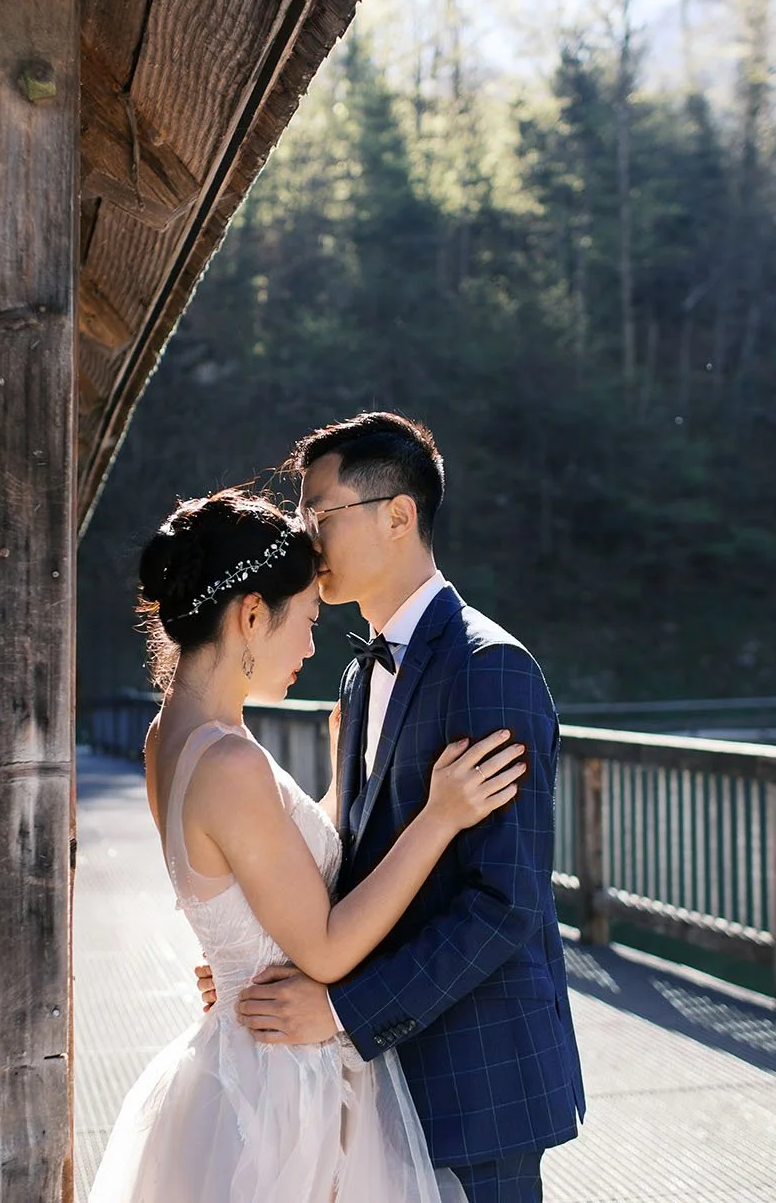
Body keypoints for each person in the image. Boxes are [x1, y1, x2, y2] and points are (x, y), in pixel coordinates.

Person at [89, 489, 524, 1203]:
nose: (312, 647)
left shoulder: (169, 737)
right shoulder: (229, 762)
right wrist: (440, 816)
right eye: (307, 622)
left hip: (245, 1052)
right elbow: (322, 947)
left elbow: (259, 876)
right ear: (253, 615)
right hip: (285, 1089)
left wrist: (326, 785)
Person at [210, 413, 586, 1203]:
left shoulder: (492, 671)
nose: (307, 540)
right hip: (379, 1089)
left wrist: (341, 1011)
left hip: (474, 1085)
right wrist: (260, 961)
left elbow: (504, 905)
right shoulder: (356, 676)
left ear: (398, 516)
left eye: (321, 516)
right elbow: (355, 862)